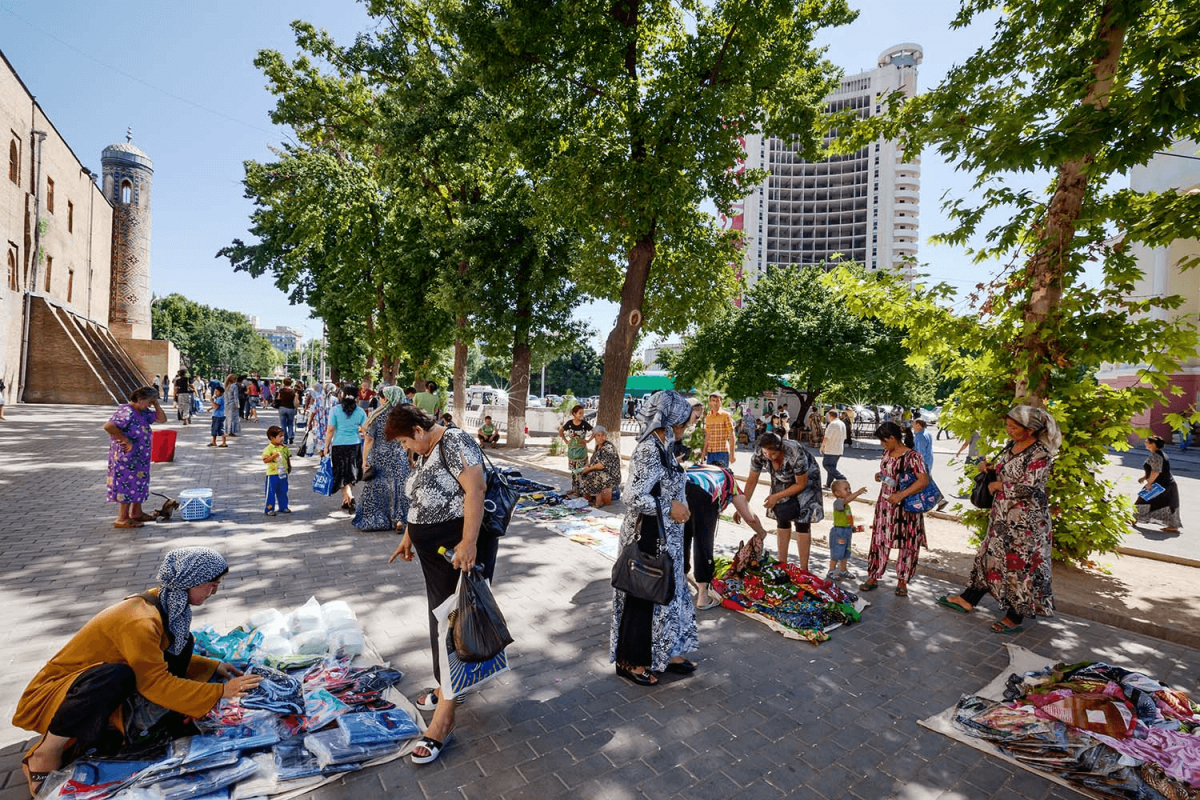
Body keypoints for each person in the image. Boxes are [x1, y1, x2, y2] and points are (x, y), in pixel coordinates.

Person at [12, 547, 262, 797]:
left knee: (183, 645)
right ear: (190, 581)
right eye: (212, 584)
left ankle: (108, 731)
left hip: (93, 686)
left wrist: (211, 666)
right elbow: (154, 682)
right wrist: (221, 691)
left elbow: (154, 657)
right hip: (57, 693)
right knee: (115, 676)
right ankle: (48, 752)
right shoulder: (139, 620)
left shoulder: (168, 604)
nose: (215, 590)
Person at [386, 403, 493, 764]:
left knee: (451, 623)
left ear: (418, 429)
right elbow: (423, 499)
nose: (405, 448)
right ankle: (450, 686)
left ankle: (444, 719)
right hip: (436, 554)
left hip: (457, 551)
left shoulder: (455, 440)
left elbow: (475, 490)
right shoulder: (427, 450)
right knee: (441, 620)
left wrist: (469, 543)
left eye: (404, 441)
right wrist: (409, 538)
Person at [939, 406, 1060, 633]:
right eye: (1008, 425)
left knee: (1019, 564)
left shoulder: (1041, 452)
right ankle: (969, 598)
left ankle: (1015, 616)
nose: (1009, 429)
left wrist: (998, 486)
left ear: (1031, 429)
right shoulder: (1012, 446)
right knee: (988, 555)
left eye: (1014, 426)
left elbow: (1031, 487)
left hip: (1026, 522)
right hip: (1002, 517)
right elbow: (1009, 471)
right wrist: (991, 470)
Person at [610, 391, 700, 686]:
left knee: (669, 594)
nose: (687, 427)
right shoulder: (649, 449)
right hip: (647, 536)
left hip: (666, 536)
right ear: (670, 421)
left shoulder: (666, 444)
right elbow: (633, 496)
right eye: (684, 423)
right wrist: (669, 507)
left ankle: (667, 651)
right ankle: (631, 662)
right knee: (644, 596)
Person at [681, 458, 770, 609]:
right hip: (704, 494)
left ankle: (678, 582)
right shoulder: (728, 478)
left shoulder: (697, 467)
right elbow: (749, 516)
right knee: (703, 543)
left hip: (680, 488)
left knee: (681, 537)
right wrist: (761, 532)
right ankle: (703, 596)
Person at [860, 421, 929, 597]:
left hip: (906, 507)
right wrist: (879, 476)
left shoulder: (913, 456)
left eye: (883, 441)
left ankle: (902, 581)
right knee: (879, 540)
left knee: (907, 544)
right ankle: (874, 576)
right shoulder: (887, 453)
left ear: (892, 438)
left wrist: (900, 495)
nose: (882, 445)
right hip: (885, 505)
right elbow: (888, 473)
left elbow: (923, 481)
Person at [743, 432, 824, 570]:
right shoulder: (759, 454)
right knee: (782, 517)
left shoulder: (794, 451)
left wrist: (776, 496)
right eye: (766, 453)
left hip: (807, 479)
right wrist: (743, 506)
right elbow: (752, 480)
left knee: (802, 521)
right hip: (781, 479)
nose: (769, 457)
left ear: (780, 448)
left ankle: (804, 569)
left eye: (773, 454)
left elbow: (801, 484)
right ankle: (782, 564)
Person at [102, 387, 167, 529]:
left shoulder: (142, 412)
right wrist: (125, 440)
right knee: (127, 485)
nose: (150, 404)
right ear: (139, 399)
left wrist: (156, 404)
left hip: (140, 458)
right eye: (149, 401)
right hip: (126, 457)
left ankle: (136, 513)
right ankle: (122, 518)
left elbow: (162, 419)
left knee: (139, 483)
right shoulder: (126, 411)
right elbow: (109, 426)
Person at [354, 387, 411, 532]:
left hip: (379, 457)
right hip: (399, 457)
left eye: (382, 397)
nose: (380, 400)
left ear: (386, 398)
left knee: (379, 488)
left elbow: (369, 440)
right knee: (399, 487)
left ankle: (378, 519)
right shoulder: (406, 415)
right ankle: (399, 520)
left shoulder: (377, 415)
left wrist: (364, 459)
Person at [328, 385, 368, 512]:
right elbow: (365, 430)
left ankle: (349, 498)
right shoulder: (361, 412)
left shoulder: (335, 410)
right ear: (356, 397)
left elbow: (330, 430)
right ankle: (346, 500)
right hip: (355, 445)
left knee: (340, 474)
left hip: (338, 445)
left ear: (342, 395)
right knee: (351, 473)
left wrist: (325, 447)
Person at [1135, 435, 1181, 532]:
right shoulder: (1158, 454)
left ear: (1153, 444)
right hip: (1166, 484)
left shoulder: (1156, 455)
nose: (1145, 443)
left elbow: (1156, 471)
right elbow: (1153, 468)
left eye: (1147, 441)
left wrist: (1149, 483)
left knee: (1143, 499)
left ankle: (1133, 518)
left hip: (1160, 485)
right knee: (1166, 504)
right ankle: (1173, 526)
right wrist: (1144, 477)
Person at [827, 480, 866, 580]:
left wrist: (852, 526)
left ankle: (843, 570)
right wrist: (857, 493)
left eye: (849, 488)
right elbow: (847, 500)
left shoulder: (847, 506)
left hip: (846, 531)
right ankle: (831, 570)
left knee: (845, 552)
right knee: (837, 552)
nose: (849, 491)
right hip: (839, 532)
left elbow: (847, 517)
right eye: (846, 489)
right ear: (837, 493)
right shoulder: (838, 503)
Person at [578, 424, 622, 507]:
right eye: (598, 435)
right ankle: (587, 497)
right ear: (594, 436)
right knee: (580, 471)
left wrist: (589, 469)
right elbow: (594, 462)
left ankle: (599, 501)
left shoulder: (608, 447)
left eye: (603, 435)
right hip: (603, 472)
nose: (601, 437)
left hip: (611, 476)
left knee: (594, 474)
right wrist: (588, 466)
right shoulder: (598, 447)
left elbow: (601, 465)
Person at [559, 404, 594, 494]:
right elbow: (561, 431)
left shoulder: (584, 424)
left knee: (581, 471)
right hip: (572, 453)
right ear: (574, 414)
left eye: (582, 413)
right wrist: (566, 441)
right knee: (574, 472)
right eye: (579, 413)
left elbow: (594, 431)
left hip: (581, 452)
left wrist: (587, 441)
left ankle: (581, 490)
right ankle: (574, 489)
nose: (581, 415)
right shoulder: (569, 424)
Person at [700, 392, 736, 467]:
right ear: (710, 402)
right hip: (710, 452)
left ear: (721, 402)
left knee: (722, 476)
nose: (715, 403)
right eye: (713, 400)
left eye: (718, 401)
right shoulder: (708, 416)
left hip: (722, 452)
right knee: (711, 476)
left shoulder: (726, 415)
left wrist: (732, 454)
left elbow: (732, 435)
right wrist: (703, 453)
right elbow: (708, 435)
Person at [262, 425, 291, 516]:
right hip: (272, 474)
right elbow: (265, 460)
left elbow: (287, 458)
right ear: (272, 438)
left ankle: (283, 507)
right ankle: (269, 508)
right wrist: (273, 456)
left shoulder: (284, 447)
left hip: (283, 473)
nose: (282, 438)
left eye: (283, 436)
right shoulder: (268, 449)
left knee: (283, 490)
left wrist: (289, 466)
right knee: (271, 492)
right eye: (280, 436)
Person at [819, 409, 848, 488]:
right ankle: (829, 483)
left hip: (831, 448)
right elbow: (844, 437)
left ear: (830, 416)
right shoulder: (842, 424)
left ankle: (841, 477)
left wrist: (822, 446)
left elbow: (826, 437)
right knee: (832, 466)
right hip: (839, 448)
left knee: (826, 465)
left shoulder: (832, 424)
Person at [276, 378, 298, 445]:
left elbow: (278, 398)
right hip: (291, 408)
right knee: (290, 423)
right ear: (291, 383)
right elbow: (296, 402)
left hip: (282, 408)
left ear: (284, 383)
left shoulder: (281, 390)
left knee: (283, 425)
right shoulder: (293, 392)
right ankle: (291, 436)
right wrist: (297, 408)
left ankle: (285, 440)